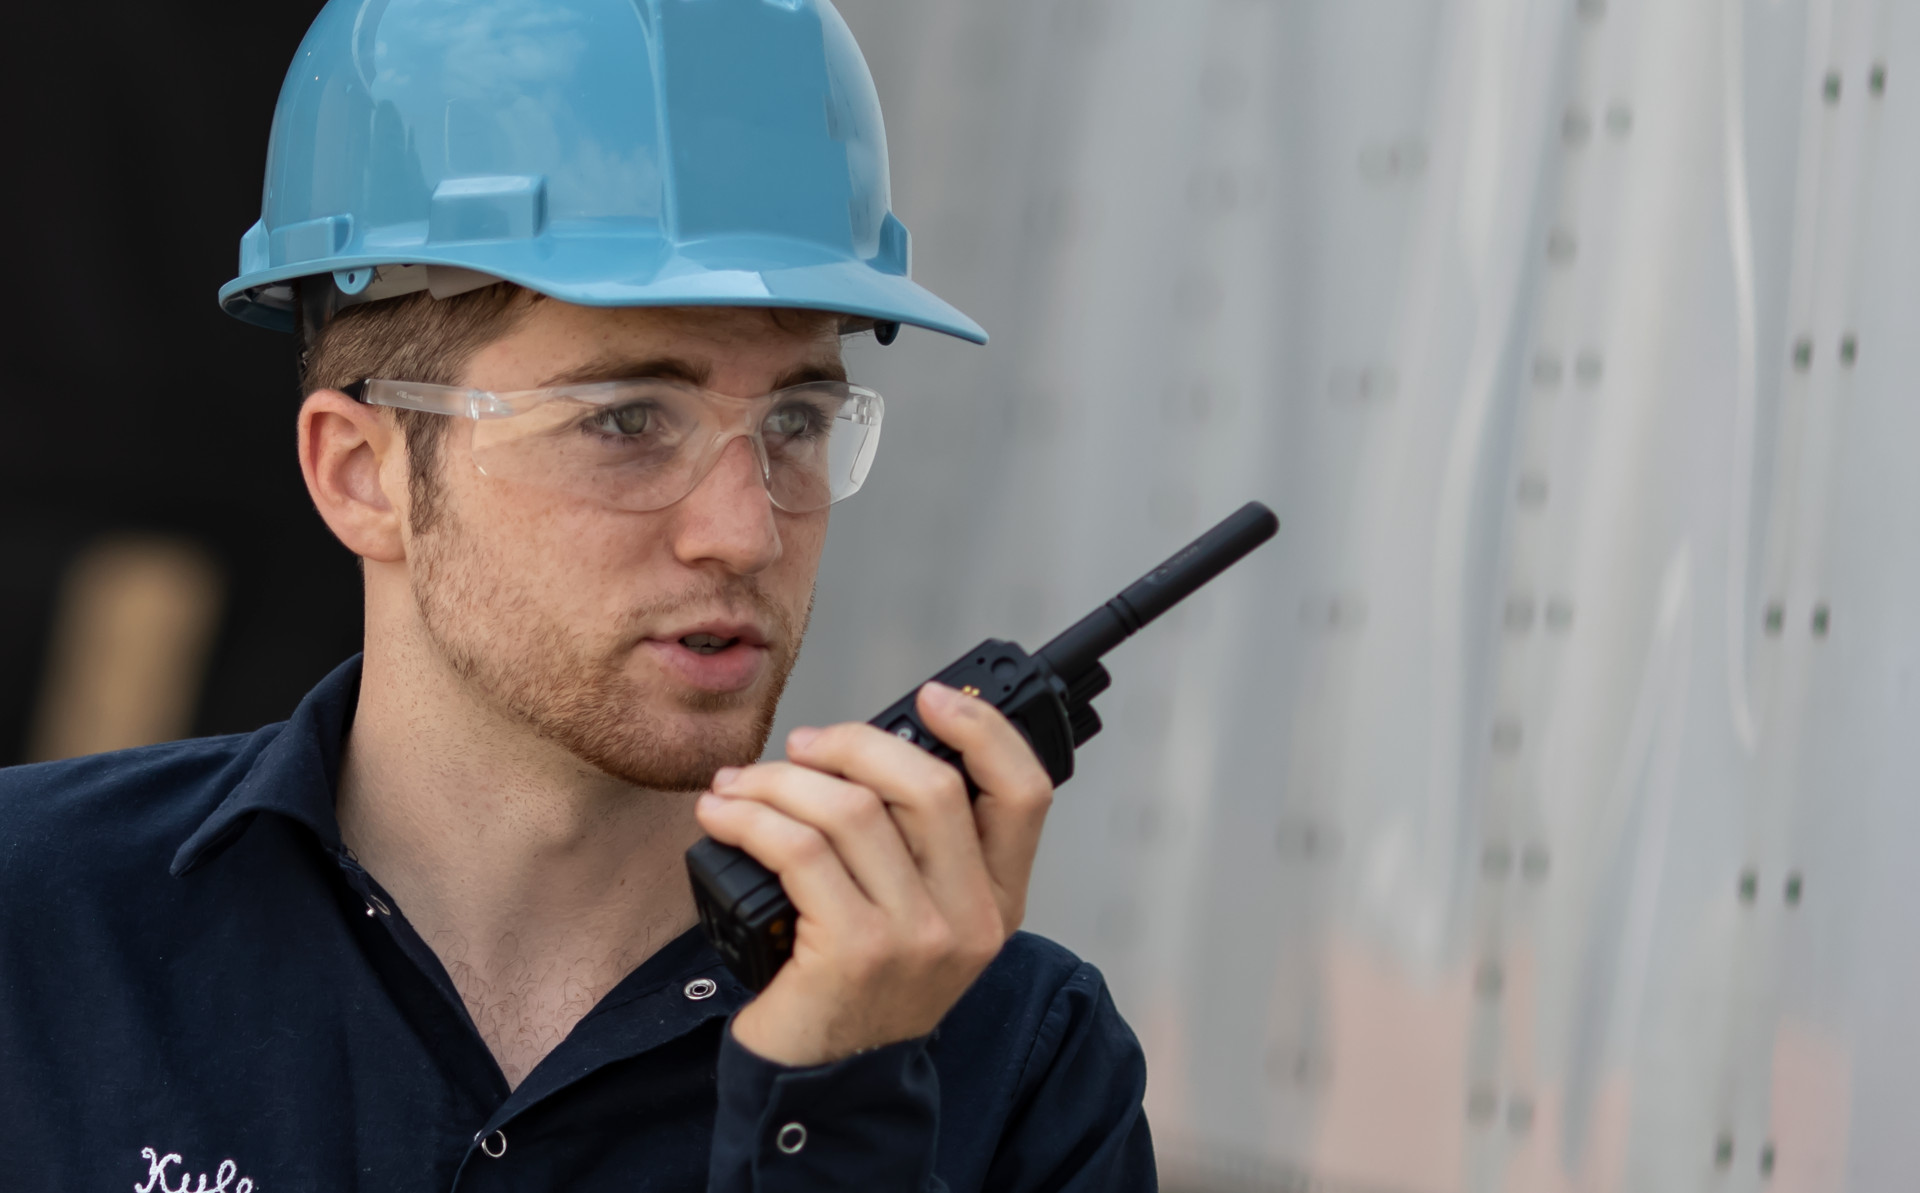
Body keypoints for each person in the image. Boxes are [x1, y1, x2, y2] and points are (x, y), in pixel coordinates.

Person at [0, 0, 1154, 1189]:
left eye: (797, 421)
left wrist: (842, 1103)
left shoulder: (1020, 1060)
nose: (745, 530)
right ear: (361, 474)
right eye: (626, 419)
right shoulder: (36, 925)